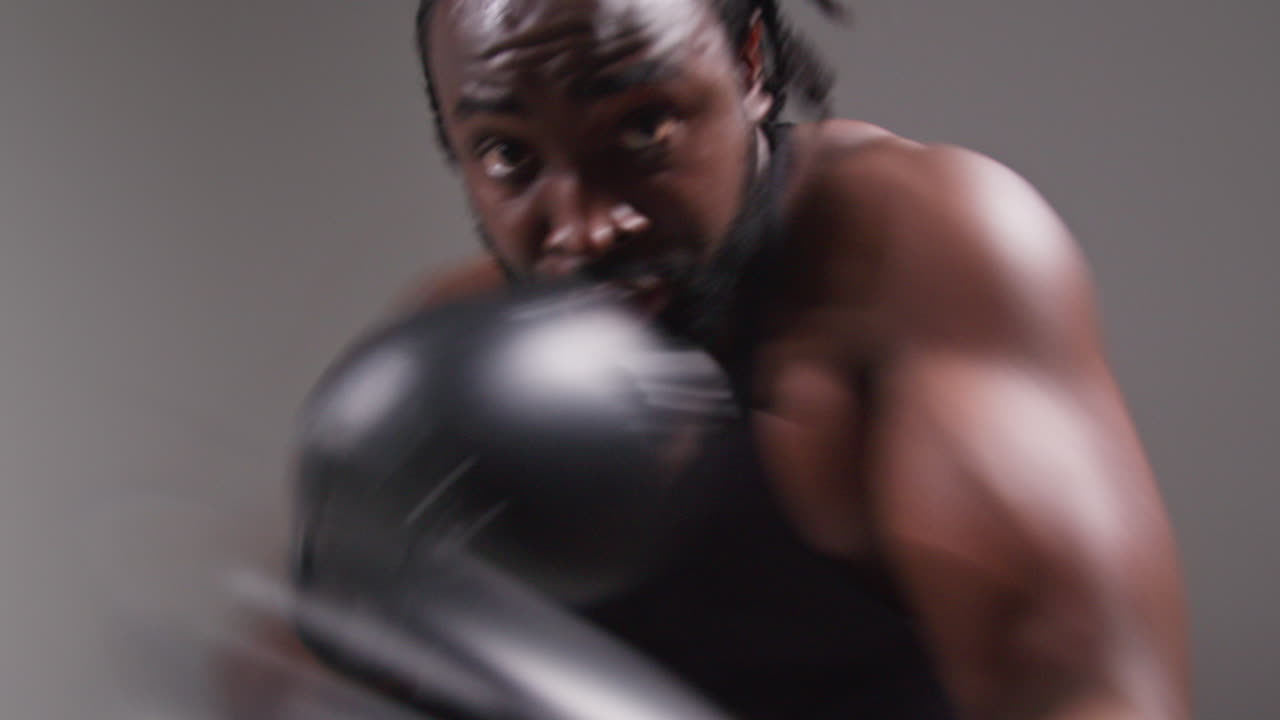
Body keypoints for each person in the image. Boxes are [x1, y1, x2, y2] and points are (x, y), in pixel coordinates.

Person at [350, 0, 1191, 717]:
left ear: (750, 67)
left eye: (642, 128)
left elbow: (1088, 696)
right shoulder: (451, 348)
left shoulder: (915, 254)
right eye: (509, 156)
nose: (586, 228)